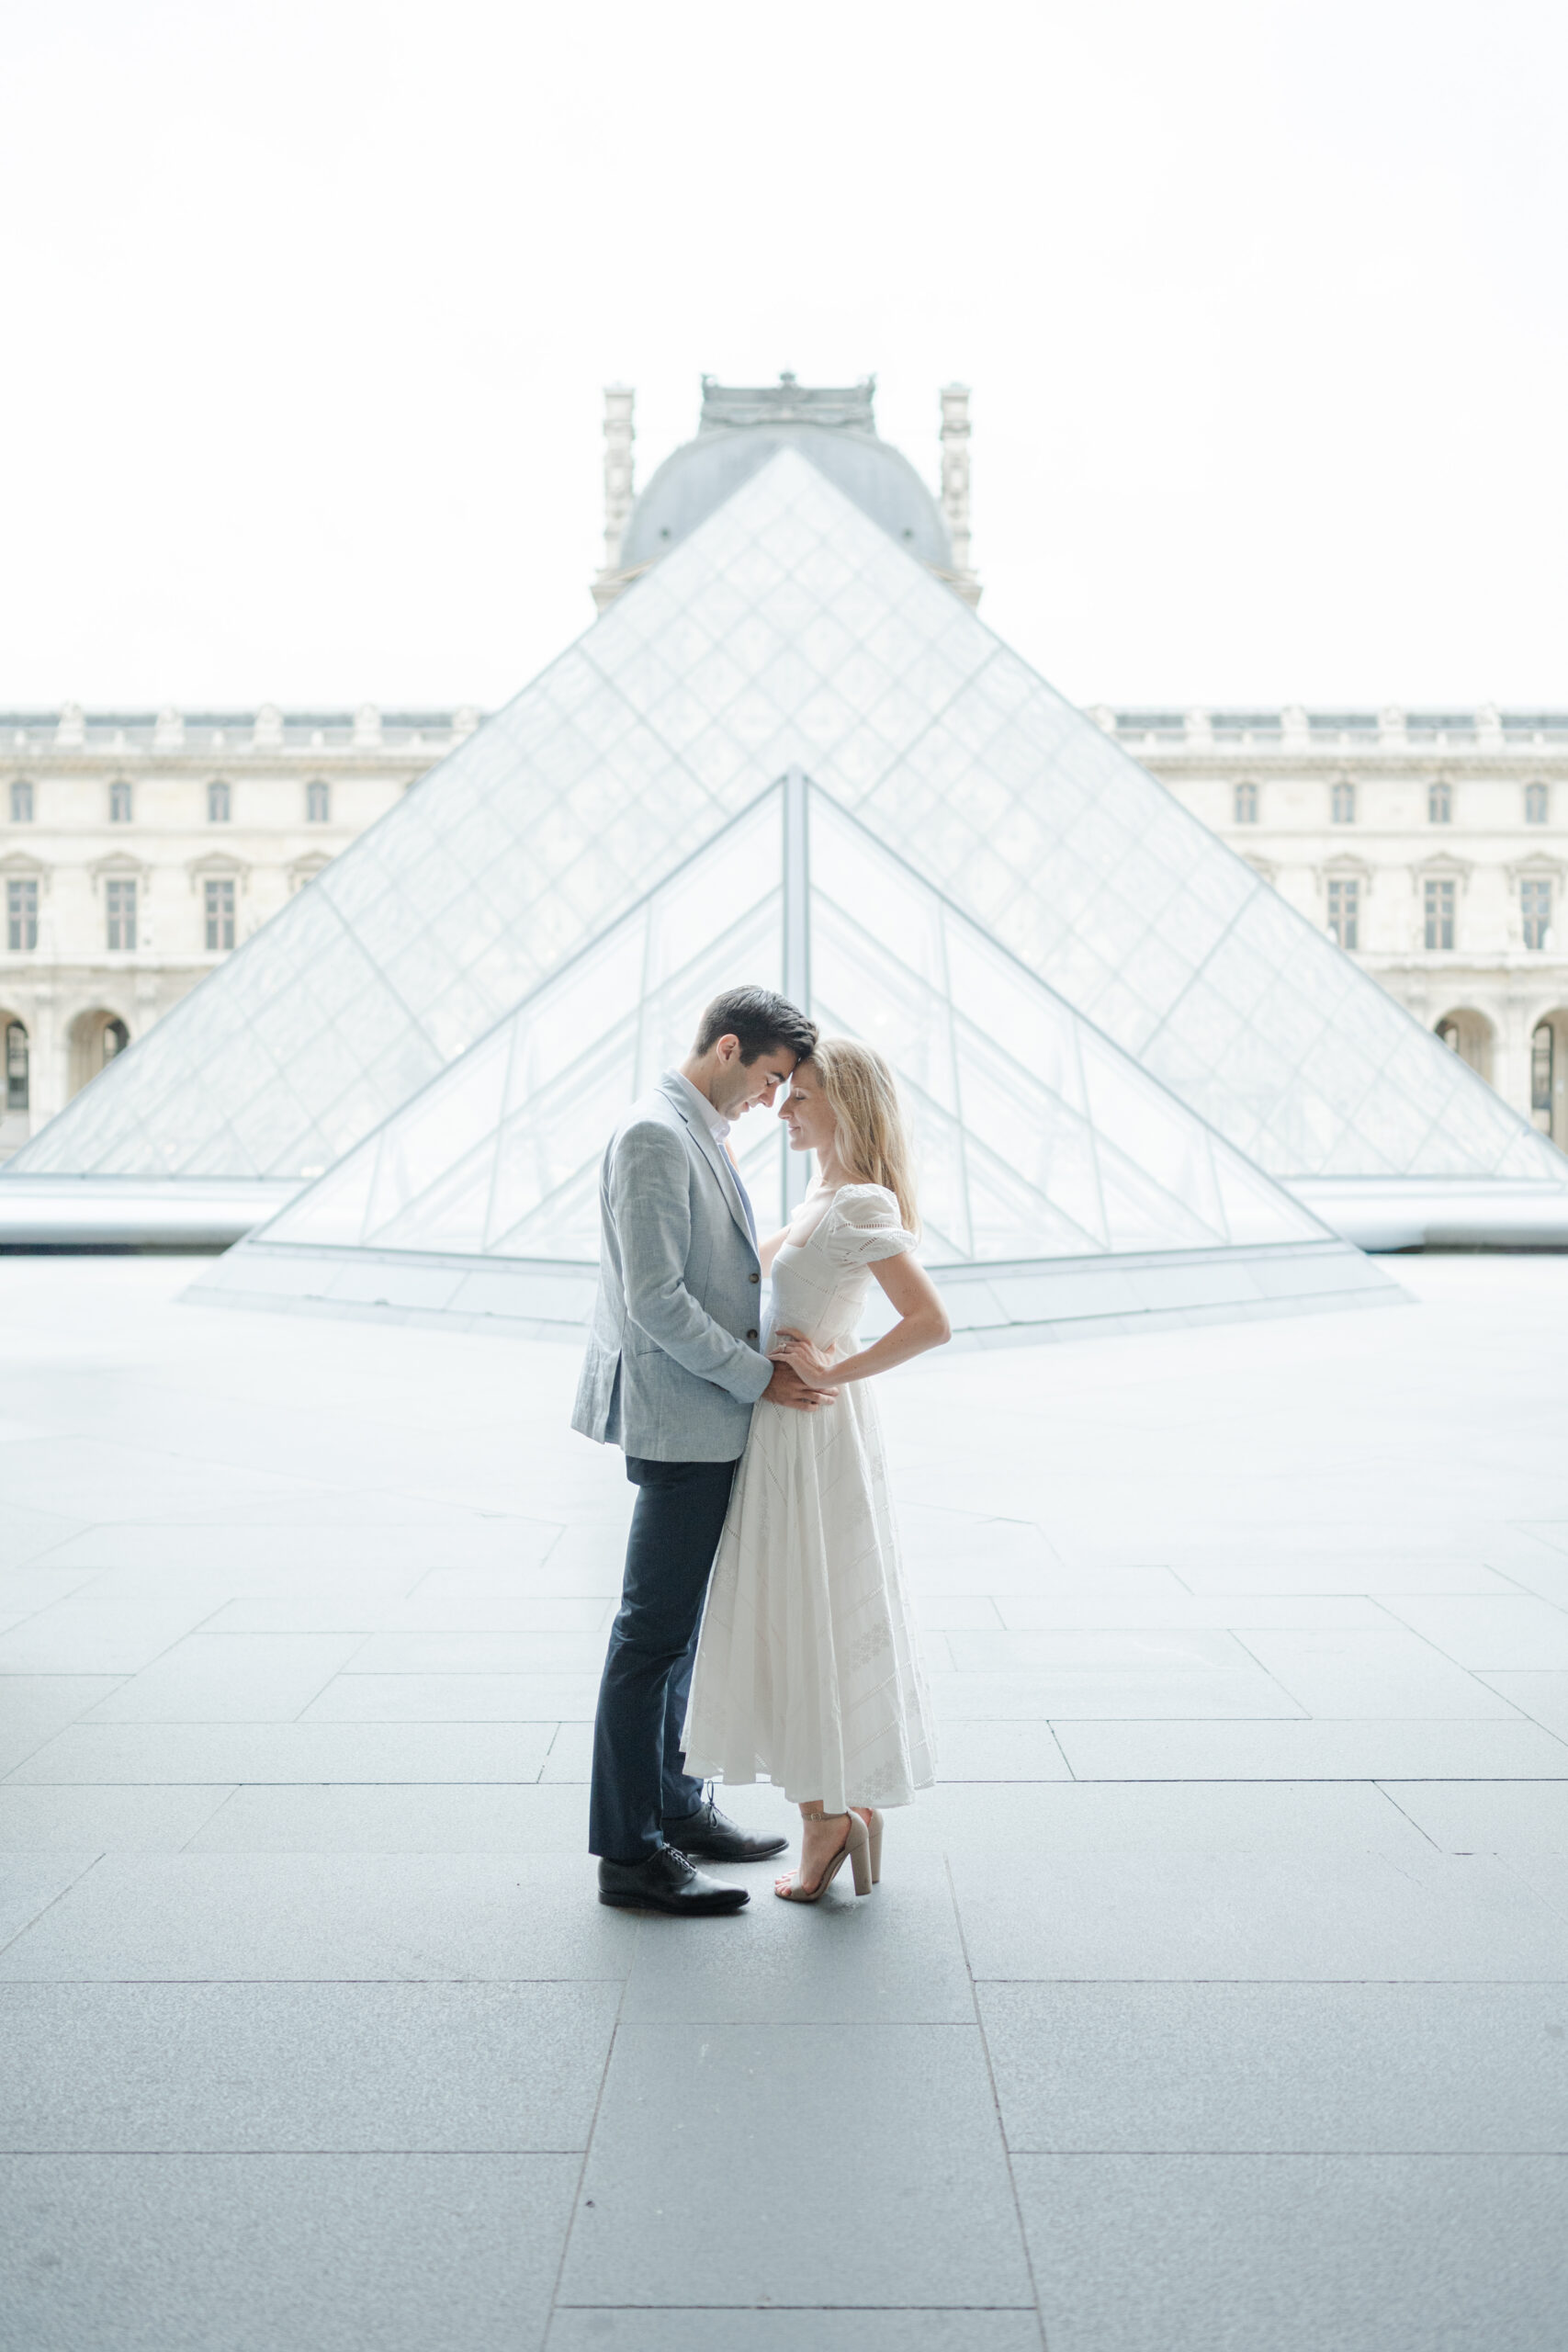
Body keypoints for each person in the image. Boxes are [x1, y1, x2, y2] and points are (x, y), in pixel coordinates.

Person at [574, 985, 826, 1916]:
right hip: (683, 1415)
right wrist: (759, 1377)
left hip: (700, 1411)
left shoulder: (693, 1128)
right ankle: (630, 1853)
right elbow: (656, 1299)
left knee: (675, 1633)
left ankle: (676, 1807)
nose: (771, 1099)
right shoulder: (655, 1134)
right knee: (650, 1635)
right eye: (768, 1078)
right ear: (727, 1048)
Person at [682, 1036, 950, 1903]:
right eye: (785, 1093)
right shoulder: (822, 1197)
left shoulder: (858, 1201)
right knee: (806, 1610)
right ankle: (838, 1806)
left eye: (799, 1097)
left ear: (847, 1105)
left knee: (803, 1611)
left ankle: (828, 1818)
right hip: (790, 1432)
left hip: (809, 1430)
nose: (783, 1110)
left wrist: (834, 1367)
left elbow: (929, 1322)